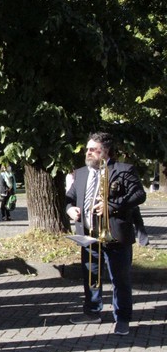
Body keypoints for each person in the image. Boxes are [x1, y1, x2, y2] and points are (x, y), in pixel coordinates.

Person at [66, 132, 146, 335]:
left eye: (93, 149)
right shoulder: (81, 173)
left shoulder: (123, 170)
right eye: (87, 149)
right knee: (91, 277)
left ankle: (123, 318)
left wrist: (111, 206)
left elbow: (139, 195)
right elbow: (69, 197)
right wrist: (70, 209)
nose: (88, 152)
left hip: (115, 236)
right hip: (89, 236)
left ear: (106, 151)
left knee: (120, 280)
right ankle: (92, 312)